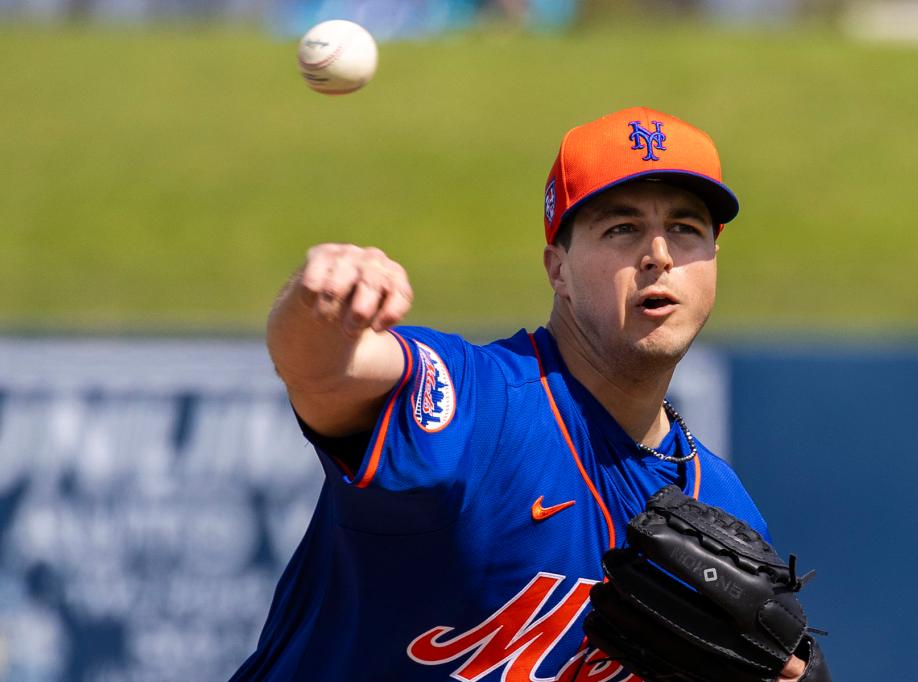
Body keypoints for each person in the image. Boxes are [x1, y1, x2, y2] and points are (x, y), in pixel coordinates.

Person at [232, 106, 809, 681]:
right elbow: (326, 371)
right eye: (621, 228)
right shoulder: (481, 400)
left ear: (712, 260)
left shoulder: (726, 509)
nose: (658, 254)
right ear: (557, 269)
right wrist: (320, 301)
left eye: (685, 228)